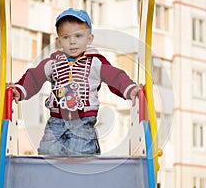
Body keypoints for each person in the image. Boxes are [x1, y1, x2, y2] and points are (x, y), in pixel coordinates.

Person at [7, 8, 141, 156]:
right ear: (59, 41)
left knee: (80, 151)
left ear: (89, 39)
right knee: (48, 150)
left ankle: (85, 167)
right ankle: (52, 175)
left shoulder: (95, 62)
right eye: (66, 37)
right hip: (56, 120)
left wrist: (130, 88)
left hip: (82, 120)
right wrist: (19, 90)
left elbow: (115, 76)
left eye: (78, 36)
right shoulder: (53, 63)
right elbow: (34, 76)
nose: (72, 42)